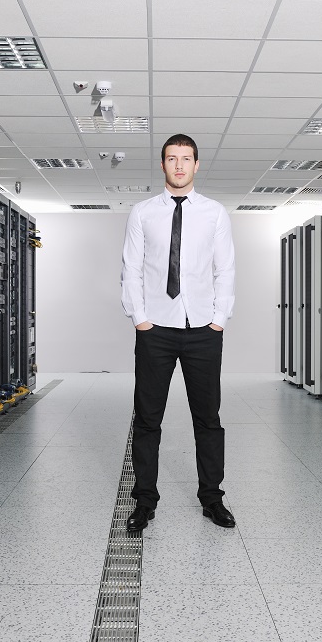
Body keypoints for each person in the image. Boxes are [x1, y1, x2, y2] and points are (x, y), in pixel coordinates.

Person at [120, 133, 236, 532]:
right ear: (163, 164)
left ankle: (212, 498)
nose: (180, 165)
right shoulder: (142, 212)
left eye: (187, 159)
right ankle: (144, 501)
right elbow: (131, 268)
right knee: (148, 419)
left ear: (197, 164)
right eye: (172, 158)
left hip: (203, 327)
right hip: (155, 330)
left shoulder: (215, 213)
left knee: (208, 419)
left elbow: (226, 269)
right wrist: (139, 318)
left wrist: (219, 318)